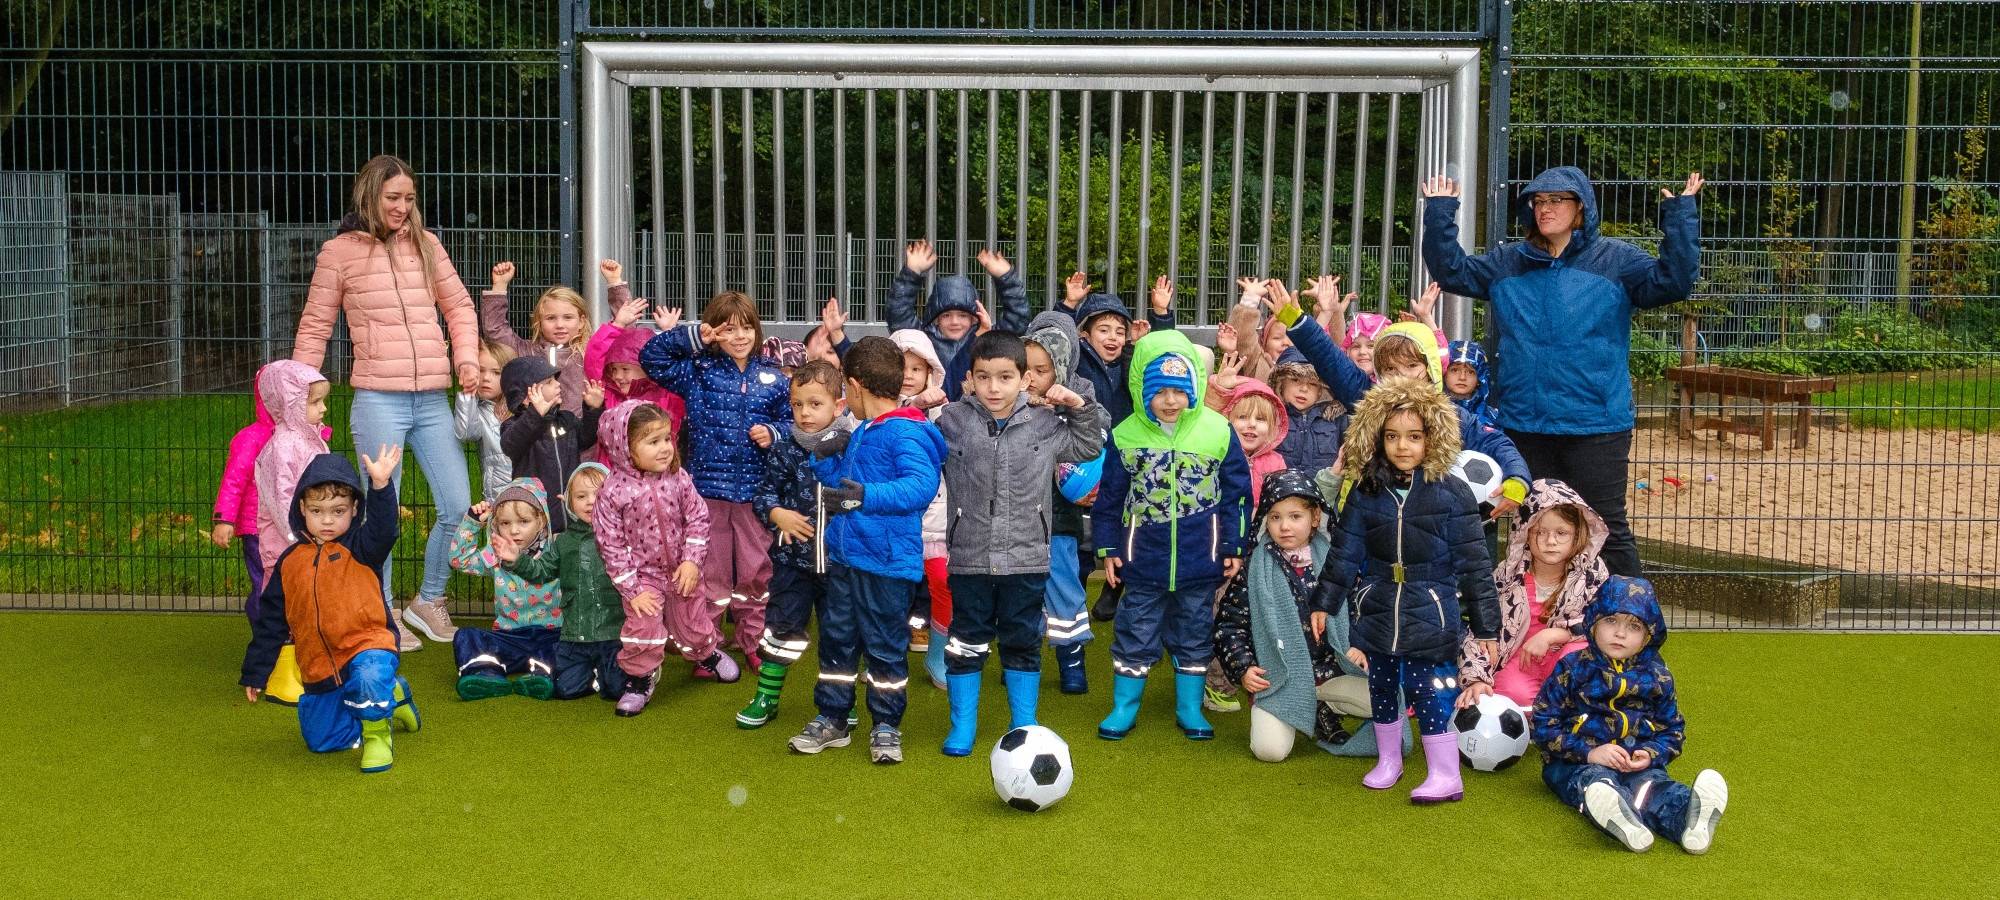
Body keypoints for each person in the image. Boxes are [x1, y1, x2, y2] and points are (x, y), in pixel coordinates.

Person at [1421, 168, 1704, 576]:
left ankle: (1632, 623)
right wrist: (1441, 213)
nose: (1545, 208)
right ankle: (1531, 621)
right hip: (1524, 423)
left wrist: (1679, 217)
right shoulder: (1508, 262)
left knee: (1606, 528)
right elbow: (1452, 272)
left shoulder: (1617, 261)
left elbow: (1675, 282)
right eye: (1538, 201)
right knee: (1532, 524)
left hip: (1596, 424)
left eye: (1556, 200)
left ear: (1581, 209)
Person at [291, 154, 479, 651]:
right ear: (369, 195)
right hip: (378, 399)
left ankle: (428, 601)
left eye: (409, 199)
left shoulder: (426, 244)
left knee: (459, 505)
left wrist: (466, 360)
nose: (402, 207)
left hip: (433, 398)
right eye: (393, 198)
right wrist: (299, 390)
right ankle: (382, 611)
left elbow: (458, 305)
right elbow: (315, 324)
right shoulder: (338, 253)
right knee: (381, 511)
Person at [1312, 377, 1499, 804]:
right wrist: (1325, 601)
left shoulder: (1452, 494)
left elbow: (1475, 563)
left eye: (1414, 437)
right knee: (1381, 685)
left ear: (1433, 438)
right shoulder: (1366, 491)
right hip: (1377, 604)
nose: (1402, 446)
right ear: (1375, 437)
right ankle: (1389, 760)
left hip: (1430, 607)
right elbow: (1344, 552)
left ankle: (1445, 773)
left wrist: (1486, 628)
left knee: (1428, 688)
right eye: (1392, 436)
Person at [935, 331, 1107, 757]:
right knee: (965, 641)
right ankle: (963, 727)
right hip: (969, 557)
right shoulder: (952, 420)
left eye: (1005, 377)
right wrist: (916, 408)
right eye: (984, 377)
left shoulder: (1047, 423)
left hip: (1028, 556)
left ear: (1025, 379)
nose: (994, 388)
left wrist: (1077, 406)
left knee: (1022, 640)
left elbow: (1089, 445)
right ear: (970, 380)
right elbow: (917, 448)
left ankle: (1024, 723)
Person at [788, 337, 947, 765]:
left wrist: (865, 496)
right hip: (845, 557)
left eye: (845, 392)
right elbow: (844, 486)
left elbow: (919, 487)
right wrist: (825, 459)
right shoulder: (863, 431)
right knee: (837, 641)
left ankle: (886, 725)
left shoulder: (905, 431)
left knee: (885, 647)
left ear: (856, 387)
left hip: (887, 565)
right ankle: (833, 718)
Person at [1091, 330, 1252, 743]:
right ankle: (1125, 706)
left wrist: (1233, 546)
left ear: (1194, 388)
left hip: (1203, 558)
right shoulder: (1126, 434)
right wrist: (1109, 549)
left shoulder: (1217, 430)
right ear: (1142, 389)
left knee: (1195, 630)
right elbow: (1109, 499)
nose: (1170, 401)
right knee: (1135, 630)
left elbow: (1237, 495)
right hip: (1142, 560)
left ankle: (1189, 708)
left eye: (1179, 391)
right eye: (1159, 391)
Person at [240, 448, 422, 773]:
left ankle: (378, 735)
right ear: (302, 509)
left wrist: (380, 487)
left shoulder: (362, 547)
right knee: (322, 741)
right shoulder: (290, 562)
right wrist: (256, 671)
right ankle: (392, 694)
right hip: (320, 664)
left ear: (354, 509)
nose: (327, 520)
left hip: (368, 646)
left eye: (338, 511)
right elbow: (270, 620)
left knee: (367, 677)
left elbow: (385, 530)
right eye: (317, 510)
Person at [639, 293, 792, 674]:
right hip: (707, 492)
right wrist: (694, 337)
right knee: (711, 575)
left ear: (757, 330)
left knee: (757, 572)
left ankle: (754, 642)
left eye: (746, 327)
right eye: (728, 329)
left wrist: (774, 432)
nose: (739, 336)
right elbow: (650, 358)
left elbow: (794, 423)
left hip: (756, 492)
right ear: (714, 331)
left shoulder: (773, 377)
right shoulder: (699, 369)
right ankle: (705, 648)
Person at [1532, 576, 1729, 854]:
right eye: (1611, 621)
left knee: (1653, 788)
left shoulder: (1657, 676)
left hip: (1637, 766)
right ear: (1593, 623)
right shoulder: (1573, 669)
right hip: (1574, 763)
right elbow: (1543, 724)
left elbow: (1672, 731)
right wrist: (1590, 752)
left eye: (1633, 626)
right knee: (1596, 783)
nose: (1620, 634)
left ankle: (1689, 820)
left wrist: (1649, 753)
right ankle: (1621, 816)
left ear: (1649, 635)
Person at [1213, 470, 1375, 762]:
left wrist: (1359, 644)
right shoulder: (1254, 568)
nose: (1284, 526)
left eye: (1295, 516)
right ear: (1265, 520)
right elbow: (1229, 625)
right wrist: (1243, 668)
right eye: (1275, 517)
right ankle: (1302, 708)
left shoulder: (1337, 562)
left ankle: (1324, 708)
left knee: (1384, 698)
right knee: (1270, 752)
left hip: (1333, 669)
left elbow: (1361, 607)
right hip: (1281, 676)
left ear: (1315, 517)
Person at [738, 360, 853, 729]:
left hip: (841, 564)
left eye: (815, 404)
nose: (805, 413)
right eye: (798, 404)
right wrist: (777, 514)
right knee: (782, 628)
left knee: (840, 636)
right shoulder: (785, 447)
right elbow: (764, 494)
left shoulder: (852, 445)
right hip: (793, 564)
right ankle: (767, 697)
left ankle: (839, 703)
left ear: (839, 405)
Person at [592, 400, 723, 716]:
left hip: (682, 569)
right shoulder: (612, 492)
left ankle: (707, 654)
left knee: (694, 622)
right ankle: (639, 680)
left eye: (667, 438)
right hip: (642, 578)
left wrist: (692, 560)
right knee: (643, 630)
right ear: (624, 447)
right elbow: (610, 543)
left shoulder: (678, 478)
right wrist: (632, 590)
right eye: (653, 441)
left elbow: (698, 517)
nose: (665, 447)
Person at [1458, 480, 1606, 707]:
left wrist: (1557, 635)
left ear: (1578, 534)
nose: (1550, 541)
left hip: (1568, 656)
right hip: (1522, 660)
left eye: (1561, 532)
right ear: (1524, 533)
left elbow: (1604, 624)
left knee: (1580, 666)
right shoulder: (1507, 576)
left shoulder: (1592, 574)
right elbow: (1481, 630)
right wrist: (1476, 678)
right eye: (1540, 532)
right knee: (1508, 696)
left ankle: (1570, 718)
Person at [499, 463, 629, 702]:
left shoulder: (621, 537)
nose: (590, 502)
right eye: (581, 496)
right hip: (574, 634)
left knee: (618, 690)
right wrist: (517, 560)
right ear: (568, 501)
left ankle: (637, 672)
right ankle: (594, 674)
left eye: (598, 495)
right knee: (567, 690)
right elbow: (540, 572)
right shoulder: (563, 542)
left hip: (613, 632)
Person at [244, 360, 332, 703]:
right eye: (314, 402)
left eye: (322, 401)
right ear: (289, 404)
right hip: (286, 547)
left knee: (307, 607)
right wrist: (302, 538)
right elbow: (282, 502)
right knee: (282, 609)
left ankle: (306, 670)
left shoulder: (310, 440)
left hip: (308, 542)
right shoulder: (282, 447)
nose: (322, 408)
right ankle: (280, 678)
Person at [1023, 311, 1100, 694]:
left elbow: (1097, 432)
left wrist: (1069, 405)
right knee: (1023, 593)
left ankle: (1072, 659)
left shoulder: (1079, 392)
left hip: (1060, 517)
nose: (1033, 377)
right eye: (1027, 368)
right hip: (1018, 519)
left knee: (1065, 587)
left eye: (1043, 369)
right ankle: (1023, 657)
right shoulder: (1013, 401)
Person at [446, 478, 562, 701]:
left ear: (541, 521)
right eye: (505, 523)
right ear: (496, 526)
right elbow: (458, 559)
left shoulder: (555, 551)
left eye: (523, 521)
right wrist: (472, 523)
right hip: (509, 637)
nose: (514, 530)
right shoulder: (495, 554)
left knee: (569, 645)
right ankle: (486, 674)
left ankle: (542, 676)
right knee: (466, 636)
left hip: (551, 634)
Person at [887, 328, 953, 686]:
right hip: (892, 520)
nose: (909, 375)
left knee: (943, 582)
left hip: (936, 519)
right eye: (902, 366)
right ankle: (886, 655)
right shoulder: (876, 409)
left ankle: (938, 655)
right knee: (892, 589)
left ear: (932, 372)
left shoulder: (945, 412)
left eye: (918, 368)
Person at [890, 240, 1027, 398]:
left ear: (974, 318)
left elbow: (1018, 318)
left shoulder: (987, 338)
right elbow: (898, 312)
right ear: (935, 319)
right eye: (946, 315)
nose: (955, 322)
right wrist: (911, 272)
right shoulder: (921, 340)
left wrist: (1006, 278)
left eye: (963, 315)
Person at [497, 355, 603, 533]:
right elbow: (510, 445)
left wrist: (593, 409)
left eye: (555, 379)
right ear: (526, 397)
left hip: (570, 515)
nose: (557, 384)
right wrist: (535, 414)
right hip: (534, 520)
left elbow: (587, 439)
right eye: (548, 381)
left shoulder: (566, 420)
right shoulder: (515, 426)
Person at [584, 259, 686, 427]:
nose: (617, 376)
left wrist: (670, 336)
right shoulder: (609, 392)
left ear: (647, 365)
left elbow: (678, 370)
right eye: (613, 369)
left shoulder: (666, 391)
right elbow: (594, 357)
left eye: (625, 369)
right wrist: (617, 325)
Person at [482, 259, 590, 413]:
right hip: (536, 431)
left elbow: (621, 343)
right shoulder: (528, 352)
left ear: (581, 322)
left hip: (579, 433)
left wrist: (615, 284)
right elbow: (496, 330)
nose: (560, 324)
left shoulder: (589, 354)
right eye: (551, 318)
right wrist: (499, 286)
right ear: (539, 322)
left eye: (568, 317)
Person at [453, 340, 516, 503]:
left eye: (496, 372)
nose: (486, 378)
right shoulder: (478, 411)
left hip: (529, 488)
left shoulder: (522, 407)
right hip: (496, 495)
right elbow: (466, 433)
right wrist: (468, 395)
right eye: (480, 371)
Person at [1444, 339, 1499, 426]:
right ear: (1444, 373)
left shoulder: (1493, 419)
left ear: (1480, 378)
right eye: (1454, 370)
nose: (1462, 377)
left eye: (1470, 372)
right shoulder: (1430, 411)